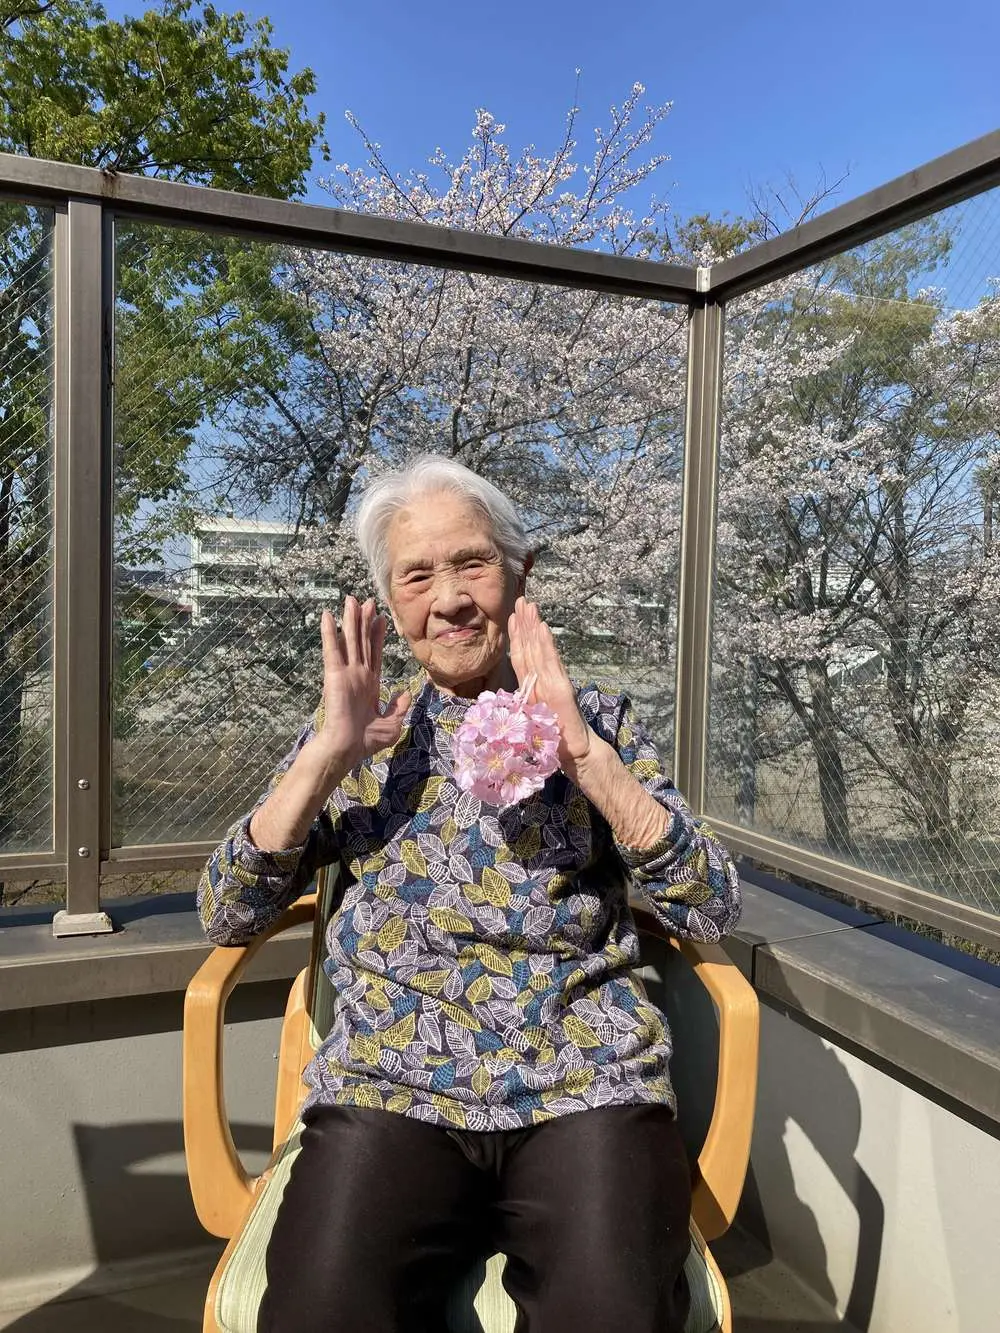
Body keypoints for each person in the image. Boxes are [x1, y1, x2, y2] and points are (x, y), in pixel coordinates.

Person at [198, 455, 742, 1333]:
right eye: (417, 575)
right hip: (392, 1085)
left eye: (472, 564)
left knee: (610, 1314)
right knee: (321, 1312)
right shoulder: (361, 735)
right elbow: (226, 910)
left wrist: (588, 759)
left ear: (521, 574)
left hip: (585, 1082)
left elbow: (711, 905)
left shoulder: (596, 720)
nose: (449, 599)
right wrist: (324, 758)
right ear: (390, 604)